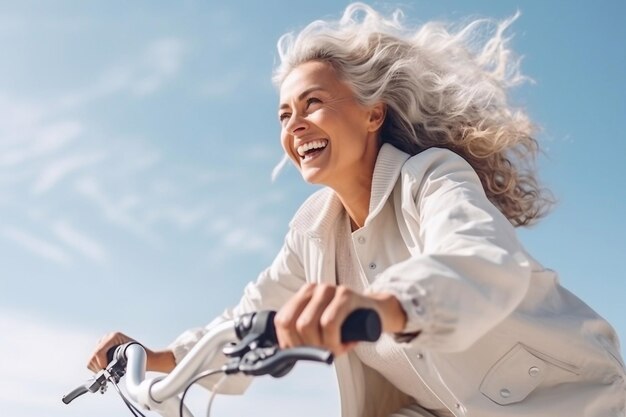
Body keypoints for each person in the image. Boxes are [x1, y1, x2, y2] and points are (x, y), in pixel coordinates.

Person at [88, 3, 626, 416]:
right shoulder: (312, 234)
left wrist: (383, 307)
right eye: (283, 114)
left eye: (313, 103)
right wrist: (153, 357)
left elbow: (479, 261)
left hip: (573, 403)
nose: (294, 125)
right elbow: (242, 324)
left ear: (373, 115)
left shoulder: (430, 177)